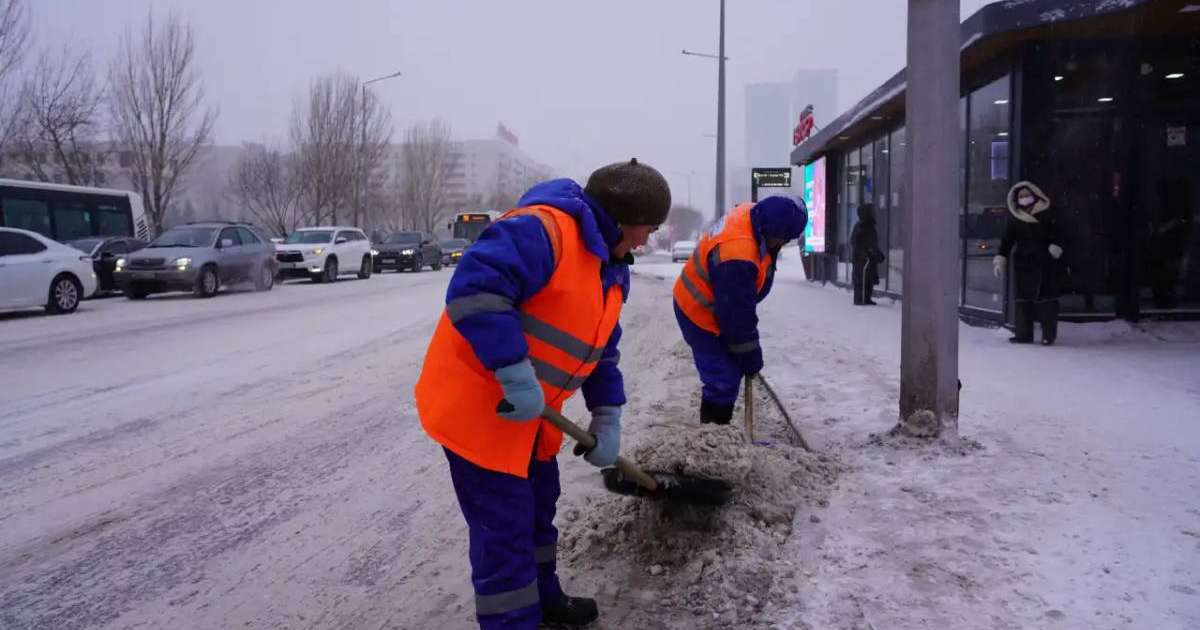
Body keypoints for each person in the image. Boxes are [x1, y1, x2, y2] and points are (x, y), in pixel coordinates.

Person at [413, 159, 669, 629]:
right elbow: (475, 291)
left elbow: (602, 349)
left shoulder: (610, 266)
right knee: (505, 531)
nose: (645, 241)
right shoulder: (541, 232)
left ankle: (543, 599)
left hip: (532, 416)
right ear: (618, 219)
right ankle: (514, 621)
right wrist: (513, 371)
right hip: (480, 407)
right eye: (645, 229)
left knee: (538, 509)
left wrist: (606, 414)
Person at [672, 196, 808, 424]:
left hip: (720, 304)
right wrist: (750, 353)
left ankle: (718, 430)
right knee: (722, 378)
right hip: (698, 311)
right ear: (772, 232)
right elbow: (736, 315)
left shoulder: (754, 214)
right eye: (783, 239)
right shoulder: (737, 255)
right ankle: (714, 441)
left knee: (733, 364)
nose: (782, 244)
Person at [994, 181, 1062, 345]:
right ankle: (1023, 334)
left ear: (1035, 194)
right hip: (1023, 263)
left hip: (1044, 262)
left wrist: (1055, 245)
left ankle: (1048, 335)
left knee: (1046, 300)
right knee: (1023, 300)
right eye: (1021, 196)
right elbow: (1007, 241)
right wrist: (1000, 259)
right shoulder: (1015, 218)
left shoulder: (1047, 214)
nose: (1024, 198)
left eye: (1027, 195)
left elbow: (1058, 232)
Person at [850, 203, 884, 305]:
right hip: (864, 257)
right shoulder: (866, 226)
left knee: (865, 278)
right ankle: (862, 298)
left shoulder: (860, 225)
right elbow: (868, 242)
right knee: (864, 278)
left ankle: (863, 298)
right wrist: (871, 252)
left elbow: (853, 241)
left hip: (862, 257)